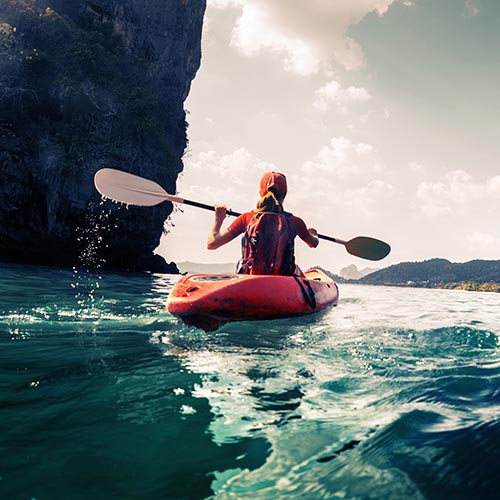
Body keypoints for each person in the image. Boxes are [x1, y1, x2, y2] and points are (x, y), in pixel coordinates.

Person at [207, 171, 319, 275]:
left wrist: (219, 219)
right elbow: (313, 243)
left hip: (250, 278)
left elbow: (212, 244)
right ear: (284, 193)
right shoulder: (295, 222)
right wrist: (313, 234)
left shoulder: (246, 218)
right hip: (283, 279)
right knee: (297, 269)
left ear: (261, 192)